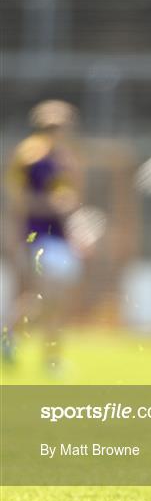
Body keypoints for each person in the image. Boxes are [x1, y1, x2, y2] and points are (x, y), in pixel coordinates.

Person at [2, 100, 85, 371]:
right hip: (38, 237)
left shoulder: (65, 159)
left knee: (51, 300)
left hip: (59, 239)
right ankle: (46, 357)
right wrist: (51, 205)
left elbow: (71, 202)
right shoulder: (32, 159)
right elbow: (20, 201)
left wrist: (76, 231)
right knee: (47, 297)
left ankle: (15, 339)